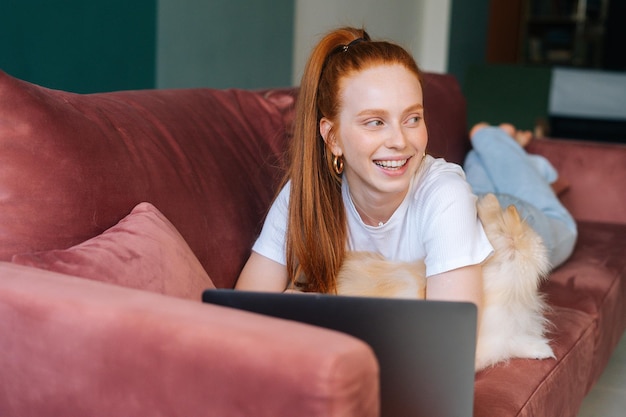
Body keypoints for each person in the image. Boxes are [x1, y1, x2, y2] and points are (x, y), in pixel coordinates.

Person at [235, 26, 493, 317]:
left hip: (503, 214)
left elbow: (453, 343)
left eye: (413, 118)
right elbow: (240, 316)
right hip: (468, 204)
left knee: (549, 218)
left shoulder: (446, 195)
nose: (400, 141)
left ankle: (498, 142)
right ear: (333, 138)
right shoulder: (304, 196)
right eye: (375, 122)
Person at [464, 122, 577, 268]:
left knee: (476, 156)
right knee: (481, 134)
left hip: (475, 215)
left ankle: (510, 146)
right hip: (537, 236)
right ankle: (506, 142)